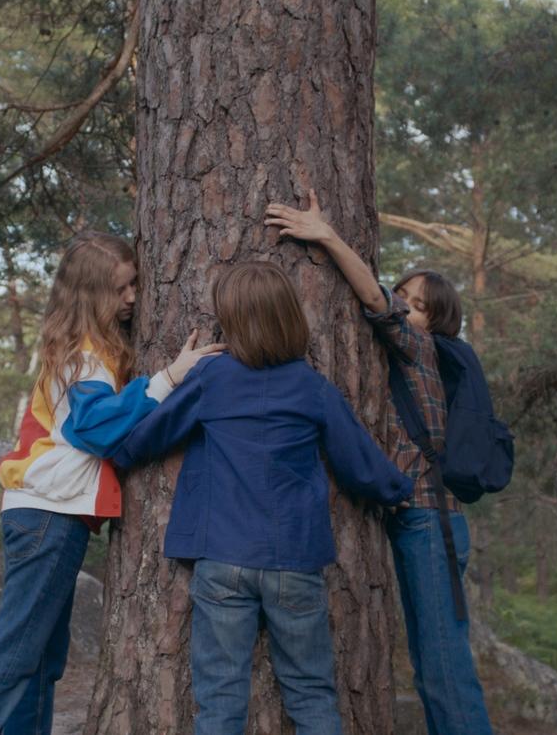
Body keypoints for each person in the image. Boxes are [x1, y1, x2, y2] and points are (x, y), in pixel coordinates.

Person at [112, 261, 414, 735]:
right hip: (294, 558)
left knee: (219, 700)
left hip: (223, 558)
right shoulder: (312, 386)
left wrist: (116, 445)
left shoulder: (211, 378)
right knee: (312, 695)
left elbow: (144, 439)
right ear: (291, 318)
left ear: (228, 322)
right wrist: (398, 491)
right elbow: (359, 462)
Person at [0, 231, 222, 735]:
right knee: (13, 658)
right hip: (47, 515)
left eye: (134, 283)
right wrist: (169, 379)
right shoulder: (84, 356)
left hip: (48, 515)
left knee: (41, 662)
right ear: (92, 293)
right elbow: (96, 428)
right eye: (121, 288)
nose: (134, 297)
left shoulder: (82, 348)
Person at [265, 191, 494, 735]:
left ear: (435, 325)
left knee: (443, 669)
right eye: (405, 293)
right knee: (433, 664)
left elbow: (373, 299)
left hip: (429, 521)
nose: (402, 303)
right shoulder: (416, 357)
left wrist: (324, 235)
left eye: (416, 304)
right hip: (424, 522)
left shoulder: (423, 350)